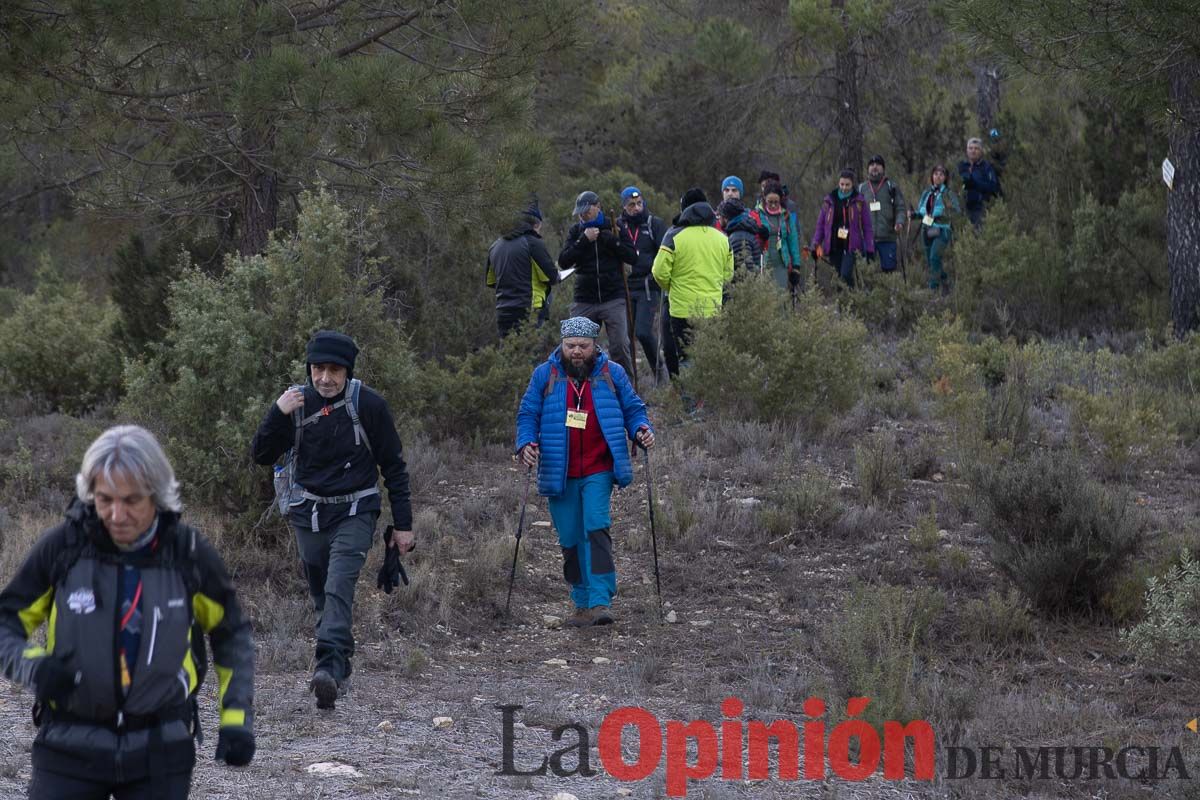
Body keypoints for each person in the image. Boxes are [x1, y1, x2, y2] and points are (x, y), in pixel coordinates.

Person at [0, 425, 255, 799]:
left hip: (160, 748)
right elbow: (6, 623)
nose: (116, 514)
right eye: (104, 499)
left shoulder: (188, 555)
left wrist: (236, 720)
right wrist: (34, 667)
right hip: (69, 746)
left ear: (157, 495)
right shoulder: (63, 549)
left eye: (132, 500)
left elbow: (231, 635)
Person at [251, 330, 414, 710]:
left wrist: (403, 525)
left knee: (339, 583)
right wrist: (277, 413)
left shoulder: (368, 405)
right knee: (322, 591)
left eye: (334, 371)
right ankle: (338, 668)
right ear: (309, 369)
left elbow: (393, 466)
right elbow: (261, 454)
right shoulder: (297, 403)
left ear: (347, 371)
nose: (325, 378)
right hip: (308, 511)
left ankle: (325, 665)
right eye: (318, 369)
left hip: (357, 508)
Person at [515, 317, 654, 627]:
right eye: (570, 346)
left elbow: (633, 408)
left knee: (596, 526)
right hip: (558, 471)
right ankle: (580, 602)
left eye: (583, 346)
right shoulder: (544, 376)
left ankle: (600, 601)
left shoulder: (612, 373)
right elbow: (527, 414)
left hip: (598, 467)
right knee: (570, 536)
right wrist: (526, 443)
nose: (576, 352)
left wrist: (642, 429)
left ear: (595, 346)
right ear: (562, 344)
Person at [652, 188, 734, 378]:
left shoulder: (673, 236)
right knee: (709, 357)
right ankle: (708, 402)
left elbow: (658, 272)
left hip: (681, 309)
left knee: (686, 357)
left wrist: (672, 287)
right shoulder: (722, 239)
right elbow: (728, 275)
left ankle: (690, 405)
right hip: (712, 308)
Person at [558, 190, 638, 377]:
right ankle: (580, 390)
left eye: (586, 210)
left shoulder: (615, 226)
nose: (583, 214)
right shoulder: (576, 231)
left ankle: (626, 390)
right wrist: (584, 241)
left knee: (619, 346)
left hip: (613, 297)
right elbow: (564, 261)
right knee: (578, 347)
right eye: (580, 211)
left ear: (598, 207)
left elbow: (632, 256)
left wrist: (612, 241)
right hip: (584, 298)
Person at [615, 186, 669, 383]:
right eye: (631, 205)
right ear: (624, 207)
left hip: (647, 287)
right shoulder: (618, 226)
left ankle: (659, 372)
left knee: (643, 332)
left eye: (639, 204)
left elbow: (665, 253)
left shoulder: (654, 224)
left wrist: (656, 278)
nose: (636, 208)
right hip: (625, 289)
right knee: (624, 338)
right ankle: (627, 380)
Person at [486, 200, 562, 338]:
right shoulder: (532, 243)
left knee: (508, 356)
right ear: (536, 224)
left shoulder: (495, 246)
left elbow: (491, 281)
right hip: (529, 310)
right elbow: (552, 277)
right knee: (530, 356)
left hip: (503, 311)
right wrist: (556, 272)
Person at [811, 169, 875, 288]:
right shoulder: (829, 200)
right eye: (842, 184)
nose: (844, 187)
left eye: (847, 185)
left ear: (852, 184)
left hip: (851, 245)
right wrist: (816, 243)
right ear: (838, 183)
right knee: (837, 276)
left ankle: (851, 298)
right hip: (834, 244)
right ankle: (842, 303)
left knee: (845, 275)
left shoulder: (859, 201)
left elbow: (867, 227)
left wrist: (870, 248)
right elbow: (821, 224)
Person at [914, 164, 962, 292]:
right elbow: (921, 211)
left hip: (942, 230)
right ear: (932, 176)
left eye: (941, 174)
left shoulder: (948, 193)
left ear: (945, 177)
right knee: (931, 263)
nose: (938, 177)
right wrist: (912, 215)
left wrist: (946, 210)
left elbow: (957, 210)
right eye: (935, 174)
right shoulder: (926, 193)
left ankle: (932, 289)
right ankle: (945, 283)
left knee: (935, 257)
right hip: (927, 230)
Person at [858, 155, 907, 276]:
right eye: (872, 165)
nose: (875, 167)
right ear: (868, 169)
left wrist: (899, 222)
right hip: (867, 238)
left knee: (889, 271)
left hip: (888, 236)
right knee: (867, 272)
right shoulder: (861, 188)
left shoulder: (891, 186)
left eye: (878, 164)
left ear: (883, 168)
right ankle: (869, 294)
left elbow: (900, 207)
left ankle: (890, 295)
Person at [758, 179, 803, 292]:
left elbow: (793, 241)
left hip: (781, 264)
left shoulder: (786, 216)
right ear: (764, 199)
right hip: (763, 263)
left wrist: (796, 266)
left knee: (780, 298)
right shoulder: (757, 215)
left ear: (781, 200)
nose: (773, 205)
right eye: (770, 202)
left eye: (776, 202)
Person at [958, 137, 1001, 229]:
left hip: (980, 208)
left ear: (981, 151)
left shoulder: (986, 167)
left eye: (976, 148)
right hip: (961, 208)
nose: (973, 151)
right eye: (970, 148)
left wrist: (975, 184)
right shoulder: (961, 166)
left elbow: (994, 187)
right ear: (967, 150)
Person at [718, 198, 764, 278]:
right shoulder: (741, 231)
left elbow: (745, 271)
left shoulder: (738, 238)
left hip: (744, 289)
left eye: (719, 216)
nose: (718, 219)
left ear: (725, 218)